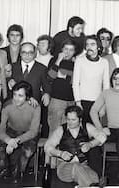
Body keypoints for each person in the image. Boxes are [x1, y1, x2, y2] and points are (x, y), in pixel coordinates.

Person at [72, 34, 109, 176]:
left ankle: (96, 174)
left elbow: (106, 84)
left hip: (97, 104)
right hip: (82, 103)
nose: (89, 47)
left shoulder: (104, 62)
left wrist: (103, 105)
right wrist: (78, 103)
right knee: (82, 137)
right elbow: (75, 83)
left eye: (92, 44)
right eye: (87, 44)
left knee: (96, 138)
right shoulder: (80, 61)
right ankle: (82, 172)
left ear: (99, 47)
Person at [44, 105, 107, 187]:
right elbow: (47, 146)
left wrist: (90, 144)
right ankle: (91, 185)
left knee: (94, 176)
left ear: (80, 120)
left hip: (83, 166)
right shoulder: (61, 130)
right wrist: (60, 153)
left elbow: (102, 136)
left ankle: (86, 185)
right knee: (77, 167)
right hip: (64, 168)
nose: (70, 122)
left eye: (73, 120)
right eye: (68, 119)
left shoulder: (86, 127)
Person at [0, 81, 41, 183]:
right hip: (12, 131)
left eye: (20, 96)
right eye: (15, 95)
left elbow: (34, 131)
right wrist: (8, 141)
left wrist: (16, 140)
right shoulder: (7, 105)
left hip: (28, 133)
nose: (16, 98)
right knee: (0, 149)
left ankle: (18, 173)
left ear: (27, 97)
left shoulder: (35, 107)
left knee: (28, 152)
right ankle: (5, 170)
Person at [46, 39, 76, 167]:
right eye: (65, 49)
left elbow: (75, 81)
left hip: (71, 102)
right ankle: (49, 164)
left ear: (75, 52)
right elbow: (50, 76)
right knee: (54, 132)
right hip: (57, 101)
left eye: (71, 49)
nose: (68, 52)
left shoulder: (77, 63)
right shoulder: (54, 61)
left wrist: (64, 75)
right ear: (61, 50)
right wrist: (58, 61)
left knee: (66, 134)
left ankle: (61, 164)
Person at [7, 42, 51, 107]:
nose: (27, 55)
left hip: (33, 105)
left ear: (35, 53)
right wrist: (9, 80)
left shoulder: (42, 68)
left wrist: (47, 94)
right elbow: (6, 80)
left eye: (30, 52)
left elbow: (47, 86)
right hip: (15, 105)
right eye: (24, 52)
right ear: (20, 53)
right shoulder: (13, 66)